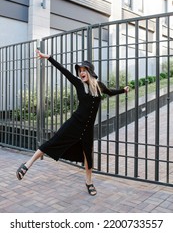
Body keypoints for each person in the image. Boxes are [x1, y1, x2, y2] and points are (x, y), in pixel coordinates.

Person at [16, 49, 129, 196]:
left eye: (83, 70)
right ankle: (26, 165)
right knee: (53, 142)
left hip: (87, 129)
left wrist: (123, 90)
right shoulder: (78, 83)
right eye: (79, 70)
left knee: (88, 155)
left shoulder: (99, 86)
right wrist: (49, 57)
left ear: (90, 72)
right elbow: (63, 71)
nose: (80, 72)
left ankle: (89, 182)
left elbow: (110, 92)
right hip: (74, 124)